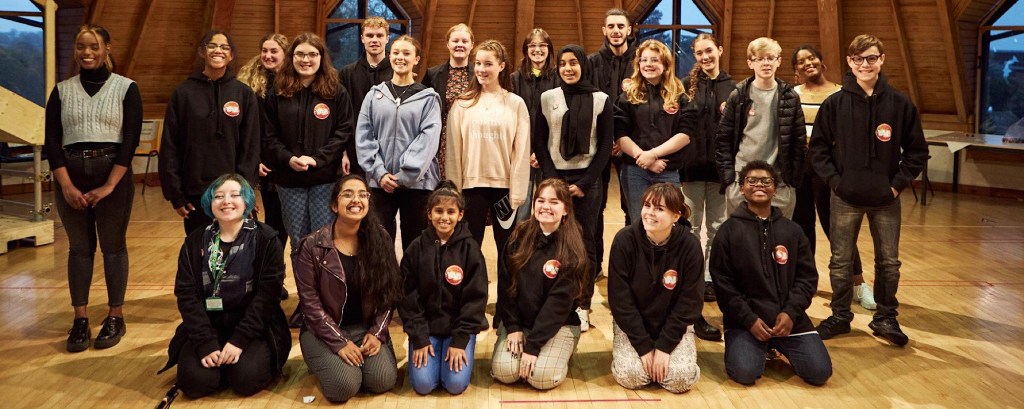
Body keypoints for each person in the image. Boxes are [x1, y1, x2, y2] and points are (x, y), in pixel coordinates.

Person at [810, 35, 928, 346]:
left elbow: (917, 151)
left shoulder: (900, 103)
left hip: (885, 199)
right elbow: (818, 150)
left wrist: (896, 186)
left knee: (889, 263)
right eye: (859, 59)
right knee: (840, 261)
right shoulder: (834, 103)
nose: (865, 64)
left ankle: (886, 318)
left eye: (872, 58)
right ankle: (840, 316)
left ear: (882, 60)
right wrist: (837, 183)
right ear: (850, 61)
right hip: (844, 197)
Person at [44, 24, 141, 352]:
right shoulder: (61, 91)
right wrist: (66, 185)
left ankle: (115, 316)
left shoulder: (126, 88)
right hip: (71, 176)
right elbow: (52, 143)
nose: (87, 53)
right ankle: (80, 319)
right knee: (79, 249)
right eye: (81, 46)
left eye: (94, 46)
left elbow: (130, 141)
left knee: (113, 248)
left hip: (113, 176)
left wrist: (110, 185)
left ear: (107, 49)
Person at [159, 174, 291, 398]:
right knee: (194, 383)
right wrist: (205, 343)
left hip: (253, 328)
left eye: (234, 195)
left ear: (246, 201)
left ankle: (232, 366)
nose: (226, 201)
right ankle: (220, 365)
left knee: (246, 379)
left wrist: (239, 341)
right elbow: (187, 295)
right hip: (209, 324)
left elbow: (267, 298)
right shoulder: (195, 241)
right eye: (218, 196)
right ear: (210, 203)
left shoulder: (266, 239)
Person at [710, 161, 832, 386]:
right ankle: (760, 347)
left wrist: (791, 313)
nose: (759, 185)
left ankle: (776, 345)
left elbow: (807, 279)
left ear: (775, 189)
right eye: (752, 181)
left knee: (819, 373)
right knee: (744, 373)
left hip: (788, 321)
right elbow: (723, 285)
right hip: (746, 322)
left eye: (766, 181)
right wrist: (749, 319)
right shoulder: (728, 232)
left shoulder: (793, 231)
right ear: (742, 188)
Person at [295, 175, 403, 402]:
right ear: (335, 205)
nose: (356, 200)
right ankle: (325, 360)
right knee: (344, 386)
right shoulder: (312, 245)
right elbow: (310, 305)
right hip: (323, 331)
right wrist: (339, 342)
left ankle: (353, 364)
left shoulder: (380, 237)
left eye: (363, 194)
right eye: (347, 194)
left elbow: (388, 294)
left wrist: (377, 332)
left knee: (382, 380)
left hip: (365, 328)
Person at [534, 44, 613, 332]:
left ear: (583, 65)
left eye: (573, 63)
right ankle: (552, 299)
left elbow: (605, 146)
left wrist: (584, 183)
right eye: (563, 64)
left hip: (587, 182)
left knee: (585, 243)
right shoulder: (547, 98)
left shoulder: (601, 99)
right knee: (551, 240)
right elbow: (539, 140)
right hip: (554, 179)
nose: (568, 68)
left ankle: (582, 303)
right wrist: (554, 183)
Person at [790, 45, 874, 310]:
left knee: (837, 228)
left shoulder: (840, 93)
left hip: (828, 169)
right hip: (799, 168)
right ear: (796, 69)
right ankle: (806, 282)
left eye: (812, 57)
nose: (808, 63)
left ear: (821, 61)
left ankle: (858, 284)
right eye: (801, 61)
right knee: (802, 227)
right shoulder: (792, 95)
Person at [262, 32, 352, 262]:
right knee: (299, 241)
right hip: (289, 179)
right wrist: (288, 159)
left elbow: (343, 131)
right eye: (300, 54)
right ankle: (305, 286)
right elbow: (269, 136)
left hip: (325, 178)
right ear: (291, 57)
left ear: (321, 58)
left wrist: (318, 159)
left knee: (323, 240)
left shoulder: (336, 91)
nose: (306, 60)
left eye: (312, 54)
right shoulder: (278, 91)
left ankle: (325, 285)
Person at [491, 178, 589, 390]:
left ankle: (562, 350)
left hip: (558, 325)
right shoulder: (519, 235)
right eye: (540, 200)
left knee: (540, 378)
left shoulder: (572, 247)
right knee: (504, 372)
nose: (545, 207)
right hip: (521, 323)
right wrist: (513, 327)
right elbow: (506, 286)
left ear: (566, 209)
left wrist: (533, 347)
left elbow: (558, 305)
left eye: (554, 202)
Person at [161, 30, 261, 236]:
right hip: (195, 192)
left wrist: (245, 190)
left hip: (234, 192)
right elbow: (170, 145)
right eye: (212, 46)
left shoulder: (244, 94)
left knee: (239, 250)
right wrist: (175, 194)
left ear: (231, 55)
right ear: (202, 52)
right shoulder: (183, 93)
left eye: (224, 47)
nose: (218, 51)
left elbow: (250, 146)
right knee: (201, 251)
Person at [607, 183, 702, 393]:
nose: (650, 213)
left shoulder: (690, 246)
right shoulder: (625, 240)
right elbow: (620, 300)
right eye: (647, 206)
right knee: (632, 376)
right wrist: (643, 347)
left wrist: (665, 347)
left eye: (659, 208)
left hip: (672, 325)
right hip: (634, 324)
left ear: (676, 216)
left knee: (680, 379)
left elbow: (690, 301)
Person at [399, 181, 489, 395]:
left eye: (451, 211)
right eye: (439, 211)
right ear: (429, 214)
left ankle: (456, 353)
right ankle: (433, 358)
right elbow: (407, 297)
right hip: (426, 330)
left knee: (455, 384)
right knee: (423, 385)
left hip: (457, 329)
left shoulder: (471, 249)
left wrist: (460, 341)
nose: (444, 217)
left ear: (460, 215)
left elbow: (475, 300)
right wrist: (419, 338)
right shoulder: (416, 248)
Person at [445, 39, 531, 261]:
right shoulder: (462, 104)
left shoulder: (515, 104)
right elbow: (453, 153)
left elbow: (521, 152)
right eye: (478, 63)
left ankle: (507, 287)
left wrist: (518, 192)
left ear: (501, 66)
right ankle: (473, 286)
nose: (481, 69)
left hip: (504, 189)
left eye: (488, 64)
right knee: (470, 249)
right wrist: (454, 190)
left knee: (507, 249)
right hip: (471, 188)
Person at [356, 35, 441, 248]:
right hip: (380, 183)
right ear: (389, 56)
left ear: (416, 59)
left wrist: (405, 175)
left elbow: (429, 139)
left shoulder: (428, 98)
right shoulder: (374, 95)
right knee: (379, 244)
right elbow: (364, 136)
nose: (400, 57)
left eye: (406, 53)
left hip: (418, 184)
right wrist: (380, 173)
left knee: (416, 245)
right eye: (395, 52)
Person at [715, 37, 806, 218]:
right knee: (742, 233)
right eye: (760, 58)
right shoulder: (738, 96)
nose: (766, 63)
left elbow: (799, 142)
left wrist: (793, 181)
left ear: (778, 61)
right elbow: (723, 140)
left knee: (779, 233)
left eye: (771, 58)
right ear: (750, 63)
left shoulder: (790, 96)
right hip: (741, 180)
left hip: (779, 181)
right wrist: (729, 180)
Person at [680, 33, 734, 310]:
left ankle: (711, 277)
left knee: (717, 227)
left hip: (719, 172)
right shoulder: (684, 87)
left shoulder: (734, 88)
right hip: (690, 169)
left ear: (719, 50)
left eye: (709, 51)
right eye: (700, 53)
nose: (705, 57)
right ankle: (692, 276)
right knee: (690, 227)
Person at [614, 39, 693, 224]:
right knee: (639, 222)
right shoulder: (627, 97)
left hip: (668, 170)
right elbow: (620, 134)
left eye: (654, 60)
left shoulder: (680, 96)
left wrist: (653, 155)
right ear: (638, 64)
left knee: (670, 222)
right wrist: (644, 159)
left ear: (665, 64)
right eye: (644, 60)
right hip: (635, 170)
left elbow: (685, 135)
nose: (648, 64)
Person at [589, 7, 637, 262]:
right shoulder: (591, 63)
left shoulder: (642, 62)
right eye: (611, 26)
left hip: (631, 144)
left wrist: (622, 140)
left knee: (632, 205)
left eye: (620, 26)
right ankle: (594, 263)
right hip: (598, 145)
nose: (616, 31)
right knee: (595, 205)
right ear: (604, 30)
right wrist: (606, 139)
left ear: (629, 30)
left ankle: (630, 262)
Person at [238, 33, 290, 255]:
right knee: (273, 219)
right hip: (265, 163)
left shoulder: (294, 80)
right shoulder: (251, 83)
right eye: (265, 51)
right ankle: (271, 267)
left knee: (288, 220)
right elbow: (249, 128)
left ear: (285, 54)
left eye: (274, 51)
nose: (268, 55)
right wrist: (256, 159)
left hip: (288, 159)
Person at [340, 16, 394, 177]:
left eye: (379, 35)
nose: (374, 40)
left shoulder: (398, 72)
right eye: (370, 35)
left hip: (390, 149)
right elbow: (340, 116)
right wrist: (343, 152)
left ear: (387, 38)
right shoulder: (347, 73)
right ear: (362, 38)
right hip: (355, 150)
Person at [423, 23, 475, 178]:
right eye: (455, 41)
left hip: (472, 136)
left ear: (472, 45)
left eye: (464, 41)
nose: (460, 45)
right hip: (443, 137)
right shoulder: (432, 74)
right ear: (448, 44)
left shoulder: (479, 74)